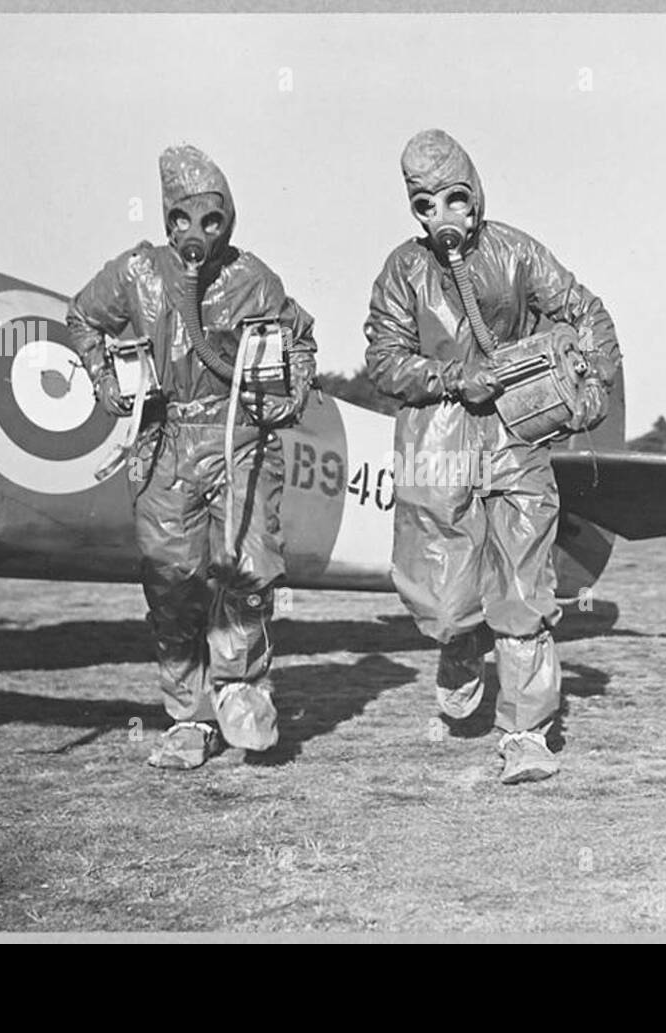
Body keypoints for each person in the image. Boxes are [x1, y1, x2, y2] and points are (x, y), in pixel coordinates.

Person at [364, 129, 621, 784]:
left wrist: (593, 388)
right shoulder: (403, 270)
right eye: (427, 205)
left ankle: (525, 733)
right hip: (438, 439)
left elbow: (582, 309)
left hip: (516, 439)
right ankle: (457, 646)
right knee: (447, 598)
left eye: (456, 198)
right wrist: (453, 379)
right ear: (415, 210)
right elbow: (383, 360)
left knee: (522, 587)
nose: (445, 217)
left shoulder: (516, 252)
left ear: (475, 194)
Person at [67, 143, 316, 769]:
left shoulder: (254, 279)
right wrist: (105, 380)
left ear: (227, 218)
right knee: (173, 583)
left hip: (238, 438)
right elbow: (81, 318)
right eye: (181, 219)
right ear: (165, 218)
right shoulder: (137, 274)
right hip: (164, 445)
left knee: (246, 572)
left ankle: (243, 691)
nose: (196, 233)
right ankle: (189, 718)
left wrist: (291, 393)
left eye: (211, 219)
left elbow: (299, 337)